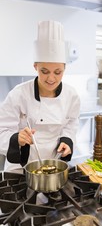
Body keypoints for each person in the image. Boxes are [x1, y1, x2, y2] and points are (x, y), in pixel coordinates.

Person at [0, 20, 80, 171]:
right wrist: (16, 138)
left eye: (58, 72)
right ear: (35, 66)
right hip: (19, 168)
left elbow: (71, 125)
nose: (51, 78)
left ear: (65, 68)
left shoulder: (71, 95)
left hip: (54, 165)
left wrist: (67, 141)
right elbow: (1, 130)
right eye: (44, 71)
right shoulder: (19, 94)